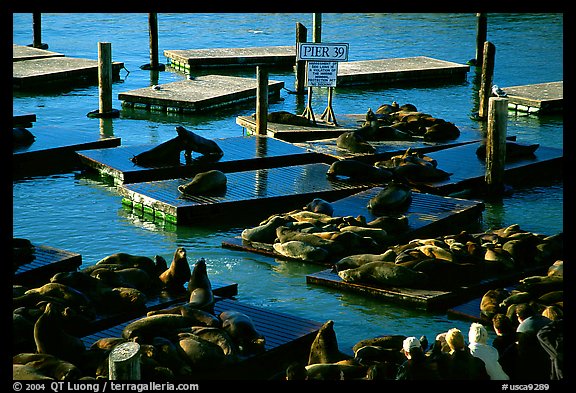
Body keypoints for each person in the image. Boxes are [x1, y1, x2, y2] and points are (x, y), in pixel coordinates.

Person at [514, 303, 552, 380]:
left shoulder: (523, 327)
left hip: (535, 362)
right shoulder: (547, 320)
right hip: (551, 358)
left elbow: (518, 347)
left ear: (519, 316)